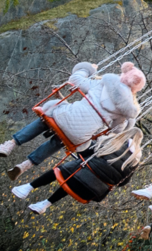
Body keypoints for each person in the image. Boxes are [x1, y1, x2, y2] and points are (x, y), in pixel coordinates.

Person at [0, 61, 144, 181]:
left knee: (47, 118)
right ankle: (25, 165)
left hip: (64, 117)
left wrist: (86, 69)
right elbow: (117, 130)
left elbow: (76, 81)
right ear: (136, 89)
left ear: (124, 74)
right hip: (79, 136)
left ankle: (10, 144)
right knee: (62, 139)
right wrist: (125, 120)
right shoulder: (127, 109)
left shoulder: (104, 83)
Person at [10, 127, 142, 214]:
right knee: (80, 177)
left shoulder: (111, 142)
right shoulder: (134, 161)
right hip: (91, 192)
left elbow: (84, 151)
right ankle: (44, 204)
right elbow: (122, 183)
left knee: (72, 171)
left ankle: (28, 187)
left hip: (75, 176)